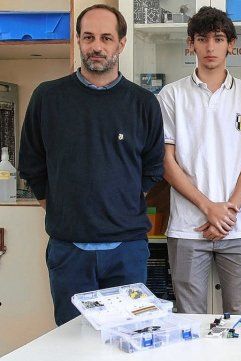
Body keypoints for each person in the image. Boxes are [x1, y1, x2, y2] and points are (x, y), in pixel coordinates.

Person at [18, 4, 164, 325]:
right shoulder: (48, 98)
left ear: (121, 44)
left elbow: (153, 168)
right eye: (89, 37)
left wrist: (119, 203)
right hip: (69, 251)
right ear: (79, 40)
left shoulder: (143, 103)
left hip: (126, 252)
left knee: (128, 337)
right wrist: (61, 208)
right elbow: (31, 164)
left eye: (106, 38)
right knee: (73, 342)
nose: (97, 46)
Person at [158, 6, 241, 314]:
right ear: (191, 44)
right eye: (202, 39)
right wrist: (208, 208)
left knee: (239, 321)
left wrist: (227, 213)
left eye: (218, 39)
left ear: (231, 44)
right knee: (189, 321)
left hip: (239, 226)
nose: (210, 47)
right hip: (189, 227)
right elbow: (167, 162)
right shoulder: (171, 95)